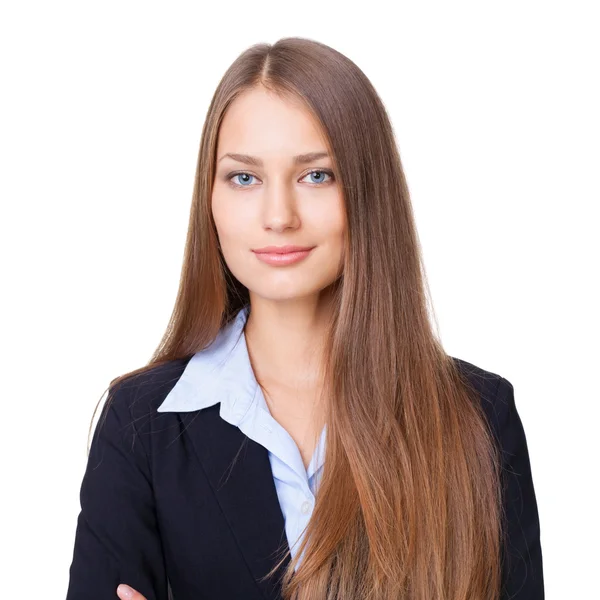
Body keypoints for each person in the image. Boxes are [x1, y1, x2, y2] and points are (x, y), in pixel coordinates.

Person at [66, 37, 544, 600]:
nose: (278, 217)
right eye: (245, 178)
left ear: (367, 192)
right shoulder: (141, 425)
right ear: (210, 200)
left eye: (316, 175)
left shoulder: (476, 416)